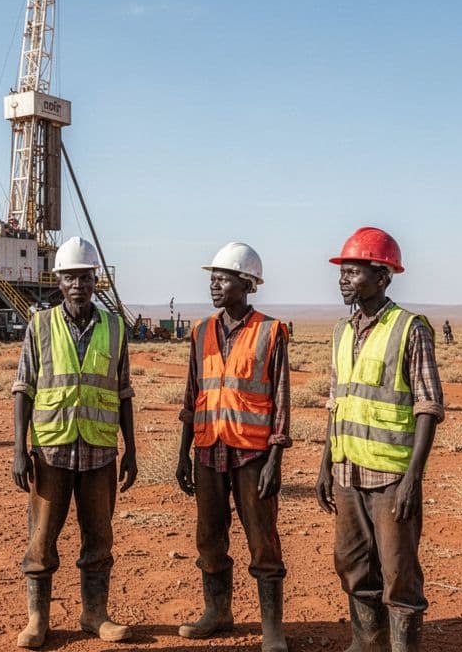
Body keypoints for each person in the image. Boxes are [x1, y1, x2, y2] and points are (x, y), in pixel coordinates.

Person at [314, 227, 444, 652]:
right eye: (342, 272)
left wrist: (412, 479)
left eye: (353, 272)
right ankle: (367, 642)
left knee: (398, 571)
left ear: (383, 276)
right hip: (347, 472)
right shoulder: (341, 331)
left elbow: (428, 407)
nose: (343, 280)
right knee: (351, 563)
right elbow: (338, 403)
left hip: (391, 475)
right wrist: (325, 466)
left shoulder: (410, 329)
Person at [11, 236, 138, 648]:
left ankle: (94, 613)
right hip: (51, 450)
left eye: (84, 277)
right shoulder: (40, 325)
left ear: (95, 281)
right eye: (70, 277)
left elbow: (122, 392)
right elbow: (23, 388)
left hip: (100, 451)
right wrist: (18, 449)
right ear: (59, 281)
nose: (78, 285)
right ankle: (37, 620)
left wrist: (132, 449)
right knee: (41, 539)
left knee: (99, 537)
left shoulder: (115, 327)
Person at [176, 242, 292, 652]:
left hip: (251, 454)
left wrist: (275, 458)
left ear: (246, 284)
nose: (214, 284)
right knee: (209, 536)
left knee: (262, 538)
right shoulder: (200, 331)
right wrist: (182, 456)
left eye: (222, 278)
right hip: (207, 450)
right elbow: (192, 397)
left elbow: (280, 397)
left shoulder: (270, 331)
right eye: (212, 277)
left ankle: (272, 630)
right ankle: (218, 613)